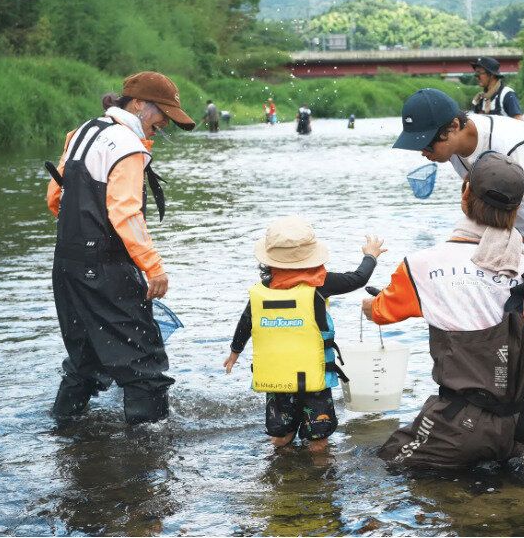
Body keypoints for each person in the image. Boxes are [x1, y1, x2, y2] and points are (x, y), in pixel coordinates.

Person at [392, 88, 524, 398]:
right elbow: (482, 204)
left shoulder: (506, 144)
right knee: (507, 303)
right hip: (521, 220)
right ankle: (511, 394)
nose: (422, 151)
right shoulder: (457, 153)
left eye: (426, 142)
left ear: (453, 128)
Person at [363, 152, 524, 469]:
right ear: (517, 209)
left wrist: (369, 306)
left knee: (378, 466)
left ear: (465, 192)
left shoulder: (421, 265)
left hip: (453, 428)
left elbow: (381, 314)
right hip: (516, 432)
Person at [45, 71, 195, 424]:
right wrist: (153, 267)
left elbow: (55, 198)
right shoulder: (127, 146)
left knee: (85, 362)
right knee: (145, 367)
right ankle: (148, 456)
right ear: (140, 105)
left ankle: (64, 434)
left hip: (67, 265)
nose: (165, 124)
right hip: (104, 268)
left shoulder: (83, 132)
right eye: (163, 114)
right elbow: (125, 213)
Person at [223, 216, 386, 452]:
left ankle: (281, 470)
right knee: (318, 440)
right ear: (310, 255)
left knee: (281, 436)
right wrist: (371, 255)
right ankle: (317, 480)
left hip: (278, 377)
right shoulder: (321, 284)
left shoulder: (264, 290)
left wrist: (235, 351)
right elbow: (359, 278)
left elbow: (246, 321)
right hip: (314, 376)